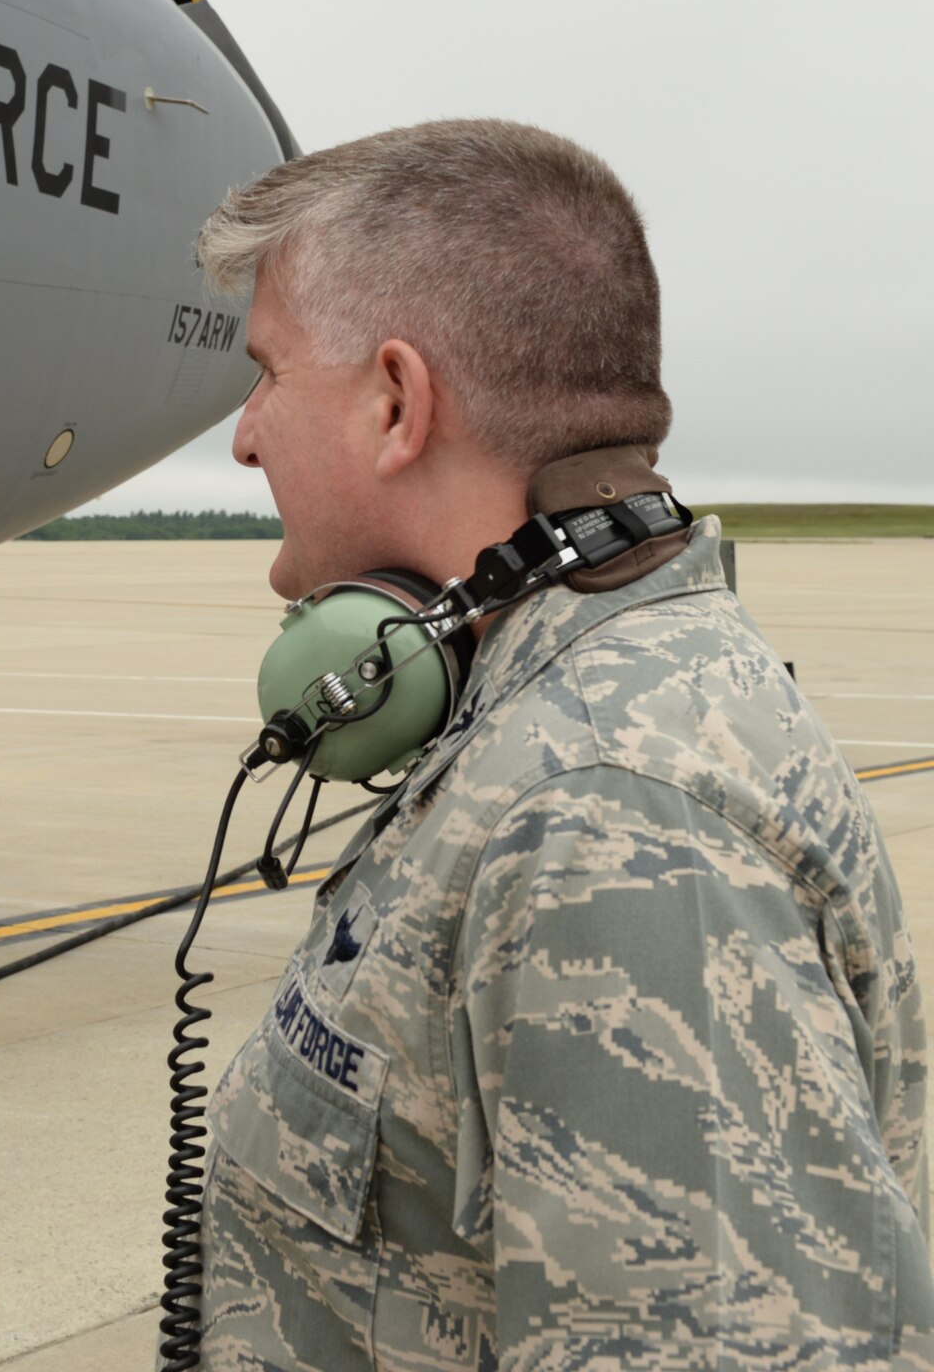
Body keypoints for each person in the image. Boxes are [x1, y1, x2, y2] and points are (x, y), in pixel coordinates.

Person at [186, 120, 932, 1368]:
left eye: (264, 373)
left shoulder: (610, 815)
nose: (245, 435)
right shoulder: (548, 714)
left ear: (392, 401)